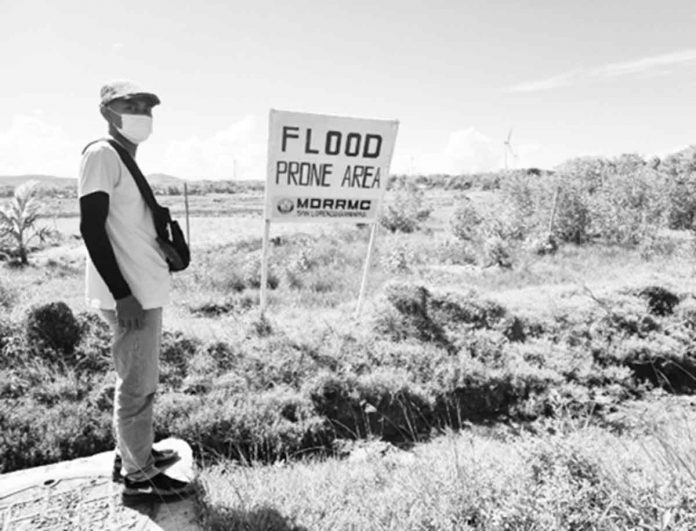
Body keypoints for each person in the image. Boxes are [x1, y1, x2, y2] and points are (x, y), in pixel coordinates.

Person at [78, 80, 192, 500]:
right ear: (108, 111)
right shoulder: (102, 154)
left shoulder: (122, 158)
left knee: (137, 379)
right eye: (132, 103)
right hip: (131, 297)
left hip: (140, 291)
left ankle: (131, 454)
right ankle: (138, 476)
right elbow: (91, 227)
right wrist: (123, 293)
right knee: (138, 385)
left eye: (147, 105)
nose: (143, 111)